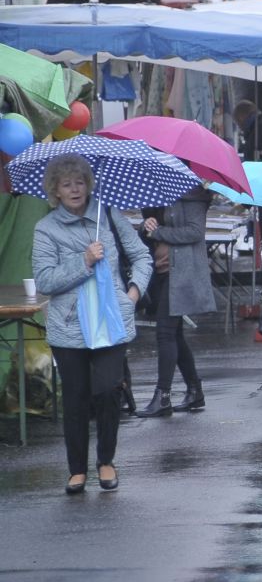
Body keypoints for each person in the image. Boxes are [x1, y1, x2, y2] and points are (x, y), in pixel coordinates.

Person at [32, 154, 152, 494]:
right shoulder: (46, 229)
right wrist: (83, 261)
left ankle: (106, 461)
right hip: (69, 327)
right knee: (76, 398)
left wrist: (132, 293)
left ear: (89, 184)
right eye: (67, 184)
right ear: (55, 190)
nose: (75, 189)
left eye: (80, 182)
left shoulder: (108, 215)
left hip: (111, 322)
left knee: (107, 391)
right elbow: (45, 280)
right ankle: (76, 470)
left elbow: (141, 255)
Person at [135, 184, 216, 417]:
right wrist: (145, 226)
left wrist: (157, 231)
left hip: (180, 274)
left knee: (165, 333)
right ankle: (194, 390)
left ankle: (163, 396)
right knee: (175, 334)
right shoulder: (155, 192)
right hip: (160, 271)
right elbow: (149, 232)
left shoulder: (193, 195)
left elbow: (194, 232)